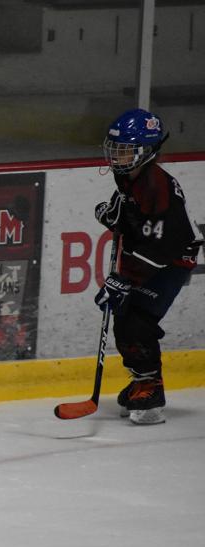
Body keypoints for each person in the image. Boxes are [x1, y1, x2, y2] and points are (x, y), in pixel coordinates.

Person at [93, 108, 202, 425]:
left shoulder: (156, 185)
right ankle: (142, 380)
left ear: (147, 151)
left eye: (125, 150)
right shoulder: (129, 175)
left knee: (137, 322)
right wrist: (117, 217)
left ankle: (151, 389)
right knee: (124, 318)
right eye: (115, 148)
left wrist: (124, 279)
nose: (117, 156)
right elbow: (135, 215)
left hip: (171, 260)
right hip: (150, 255)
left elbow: (162, 245)